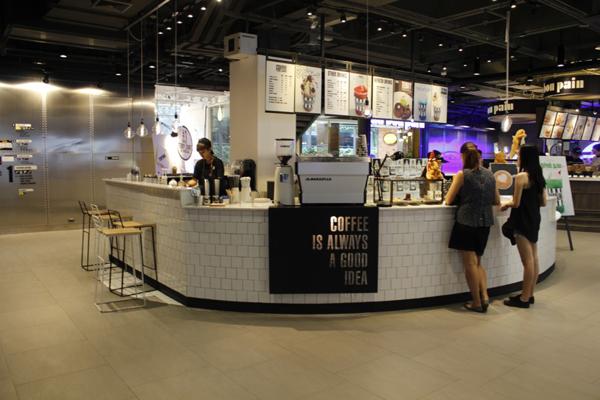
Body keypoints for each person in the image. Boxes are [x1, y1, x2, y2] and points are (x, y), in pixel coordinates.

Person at [446, 147, 500, 313]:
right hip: (484, 224)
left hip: (466, 222)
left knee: (470, 264)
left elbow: (448, 200)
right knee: (478, 262)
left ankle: (476, 302)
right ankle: (485, 296)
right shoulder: (490, 175)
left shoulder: (462, 175)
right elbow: (496, 200)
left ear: (463, 157)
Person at [501, 145, 547, 308]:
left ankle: (524, 299)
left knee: (527, 261)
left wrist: (506, 204)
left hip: (521, 220)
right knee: (534, 258)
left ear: (524, 157)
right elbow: (543, 202)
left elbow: (516, 203)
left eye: (519, 155)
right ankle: (529, 294)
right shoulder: (539, 177)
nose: (518, 157)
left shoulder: (521, 177)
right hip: (534, 219)